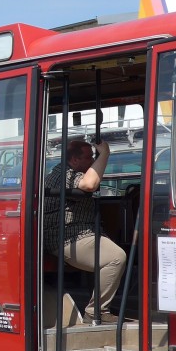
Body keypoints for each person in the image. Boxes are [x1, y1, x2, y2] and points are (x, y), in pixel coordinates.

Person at [44, 138, 127, 323]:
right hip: (65, 237)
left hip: (80, 232)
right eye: (89, 157)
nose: (92, 161)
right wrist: (105, 153)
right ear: (74, 161)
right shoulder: (63, 174)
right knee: (116, 257)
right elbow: (89, 184)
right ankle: (96, 311)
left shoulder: (70, 171)